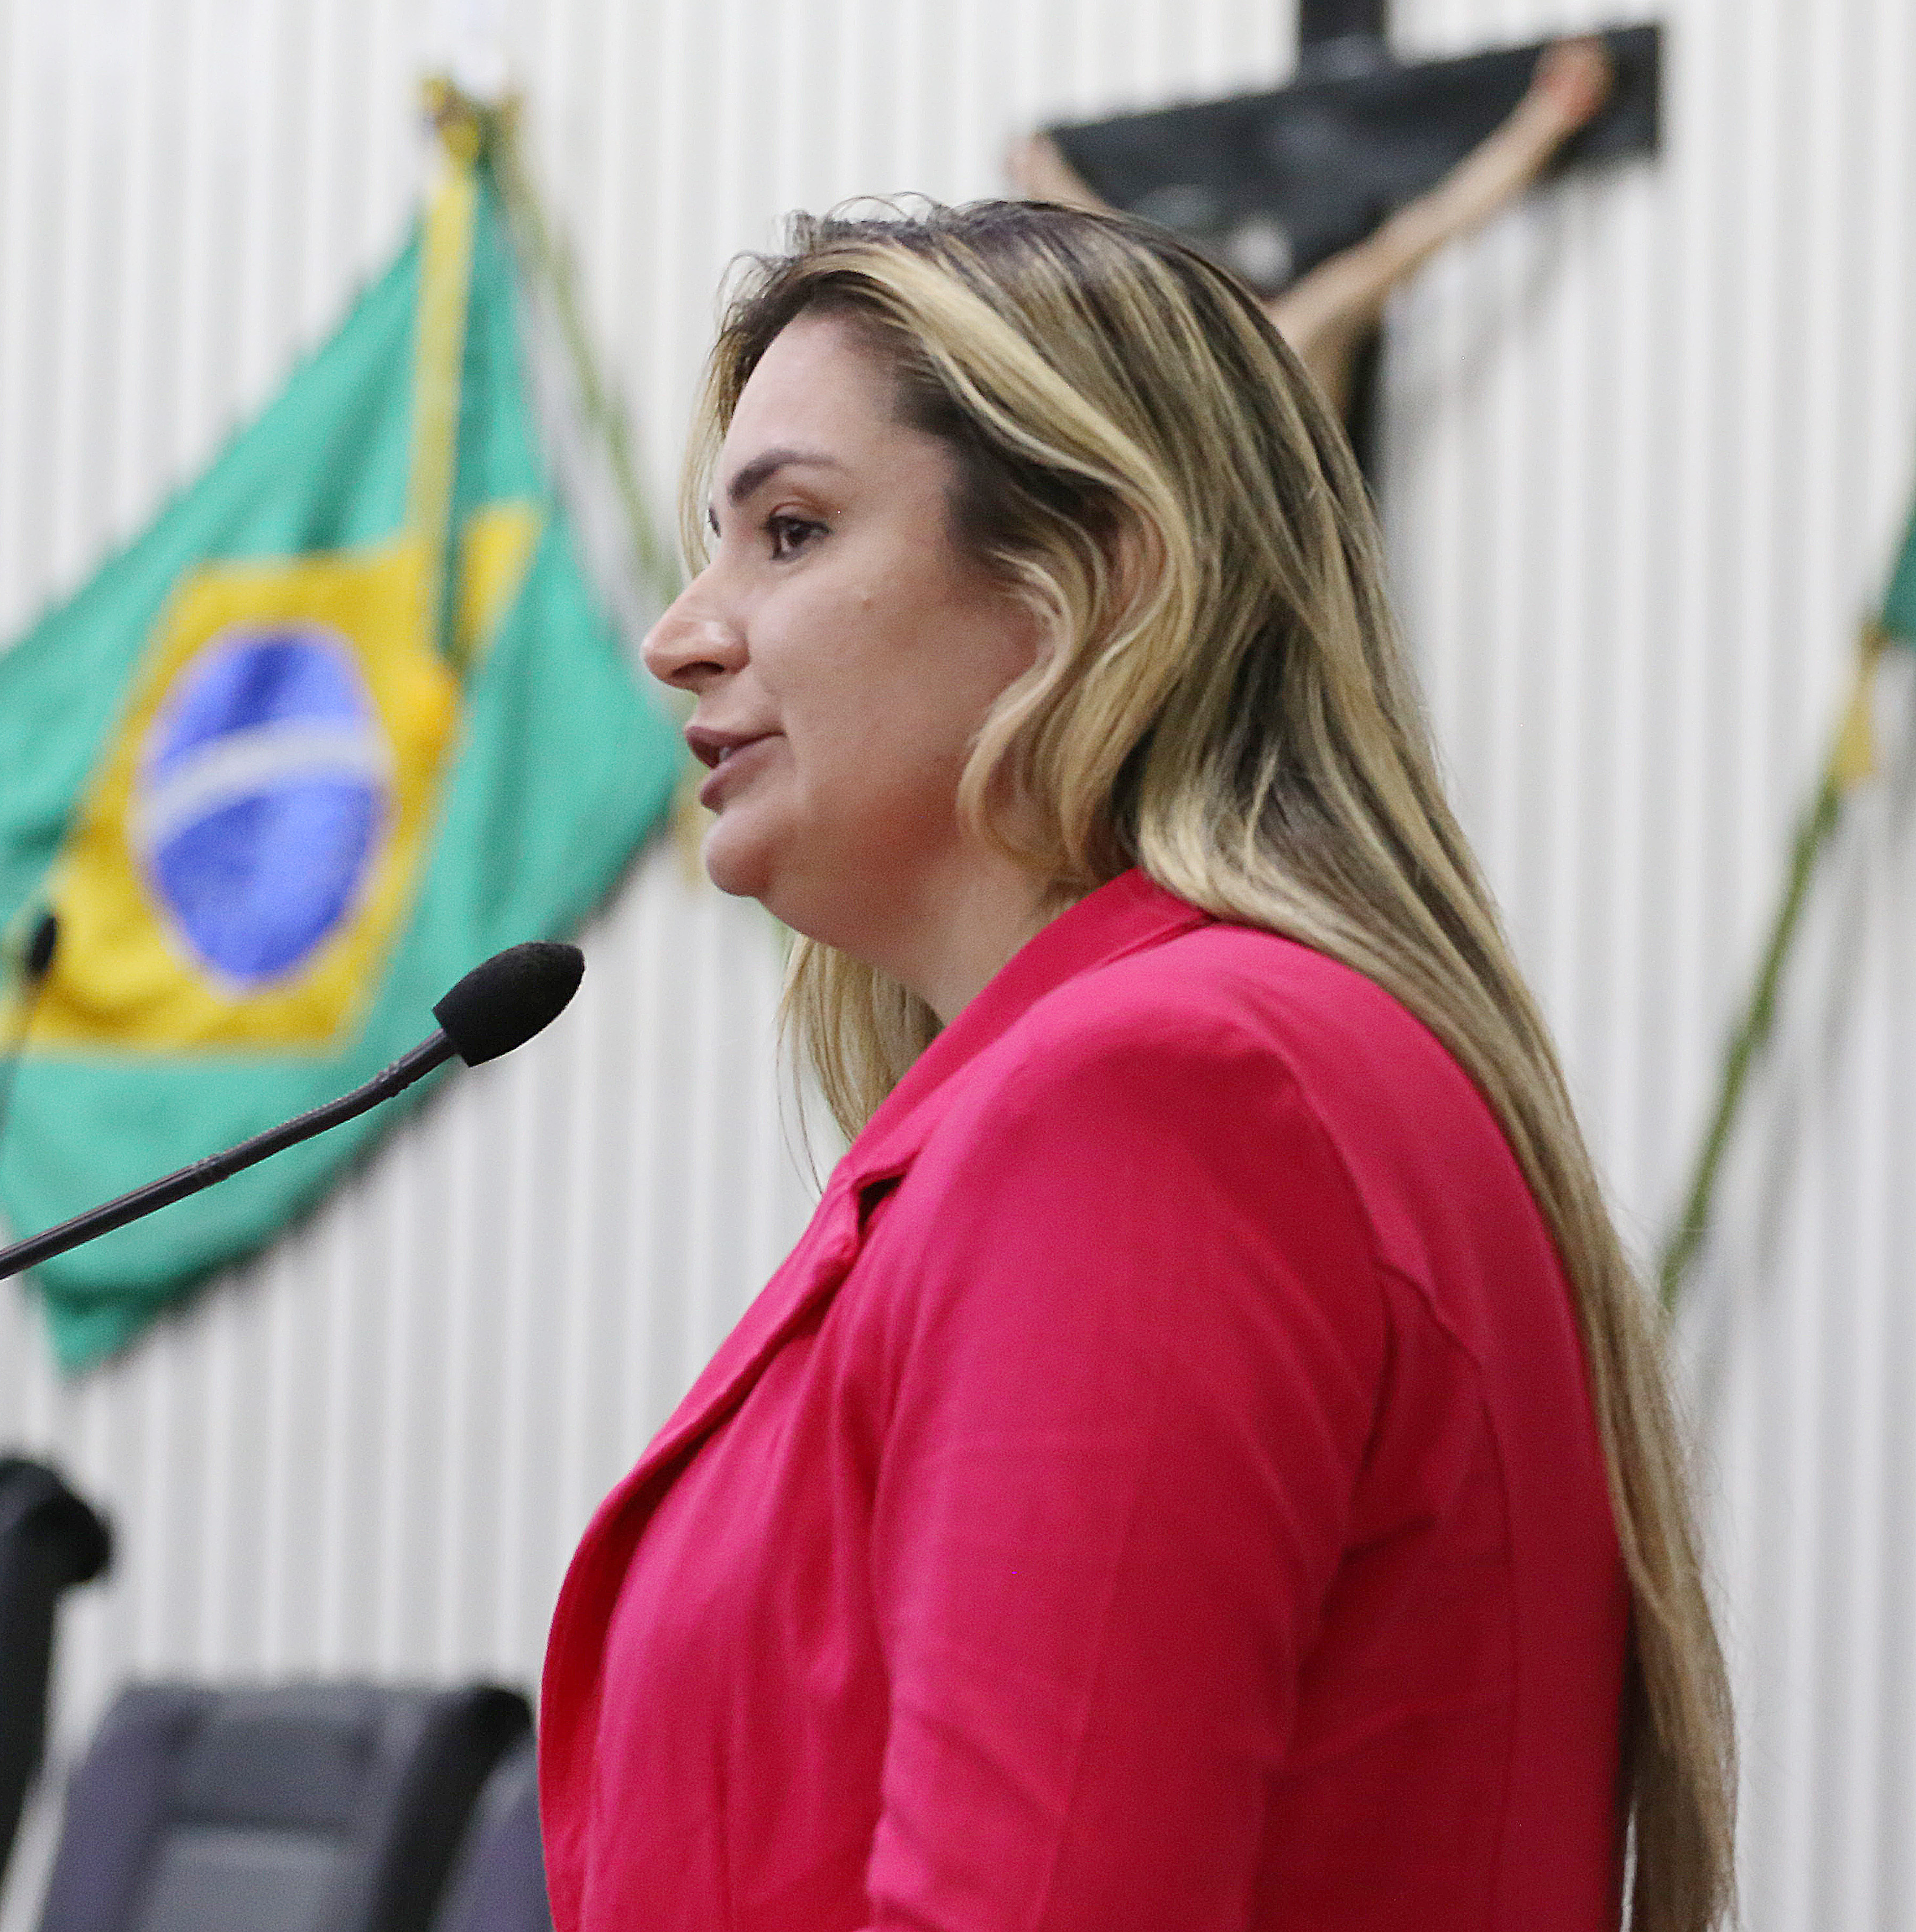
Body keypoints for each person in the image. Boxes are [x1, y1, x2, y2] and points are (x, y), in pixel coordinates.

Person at [538, 202, 1731, 1930]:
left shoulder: (1158, 1100)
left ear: (1096, 580)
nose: (681, 633)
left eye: (790, 532)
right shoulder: (1233, 1064)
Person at [1010, 37, 1616, 417]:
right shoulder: (1244, 345)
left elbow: (1426, 232)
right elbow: (1140, 263)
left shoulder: (1290, 338)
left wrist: (1546, 121)